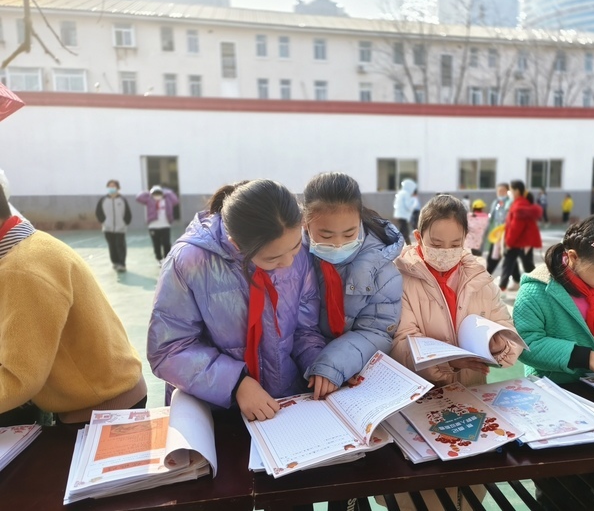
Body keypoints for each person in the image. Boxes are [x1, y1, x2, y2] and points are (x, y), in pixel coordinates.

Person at [147, 180, 326, 422]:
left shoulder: (297, 248)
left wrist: (319, 366)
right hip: (215, 410)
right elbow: (168, 349)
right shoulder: (190, 262)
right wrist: (236, 383)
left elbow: (305, 328)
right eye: (272, 258)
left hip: (282, 406)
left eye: (294, 249)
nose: (288, 263)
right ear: (236, 244)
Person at [390, 194, 523, 510]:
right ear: (419, 237)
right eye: (437, 243)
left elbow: (506, 327)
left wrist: (499, 344)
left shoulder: (478, 275)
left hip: (471, 395)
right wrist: (447, 362)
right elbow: (400, 342)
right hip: (420, 400)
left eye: (455, 244)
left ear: (466, 239)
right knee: (424, 492)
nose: (446, 253)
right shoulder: (399, 277)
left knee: (471, 488)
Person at [512, 213, 594, 508]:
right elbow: (525, 343)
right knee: (563, 485)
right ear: (572, 257)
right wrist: (583, 356)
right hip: (559, 399)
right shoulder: (537, 291)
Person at [0, 184, 147, 426]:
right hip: (109, 391)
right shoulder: (30, 243)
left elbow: (19, 380)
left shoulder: (20, 271)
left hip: (101, 407)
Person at [301, 172, 403, 400]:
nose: (338, 244)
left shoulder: (382, 270)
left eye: (349, 233)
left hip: (354, 374)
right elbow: (294, 327)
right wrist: (319, 364)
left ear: (360, 220)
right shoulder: (292, 259)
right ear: (305, 224)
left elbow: (376, 331)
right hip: (308, 373)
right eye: (326, 235)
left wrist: (334, 365)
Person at [498, 180, 542, 293]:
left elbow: (516, 227)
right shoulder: (520, 203)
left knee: (515, 263)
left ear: (517, 191)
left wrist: (509, 242)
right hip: (522, 242)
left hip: (520, 242)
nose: (509, 192)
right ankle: (514, 284)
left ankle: (502, 287)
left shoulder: (519, 205)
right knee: (514, 263)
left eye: (511, 190)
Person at [136, 184, 180, 265]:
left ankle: (167, 259)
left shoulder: (167, 200)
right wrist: (148, 192)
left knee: (166, 243)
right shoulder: (149, 200)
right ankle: (159, 259)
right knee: (156, 244)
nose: (157, 195)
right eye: (155, 194)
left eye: (158, 193)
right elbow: (139, 198)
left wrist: (167, 191)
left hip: (165, 225)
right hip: (153, 226)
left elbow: (176, 200)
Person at [484, 183, 519, 283]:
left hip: (506, 234)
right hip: (496, 234)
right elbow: (492, 218)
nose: (500, 193)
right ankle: (516, 279)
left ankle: (485, 279)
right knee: (508, 257)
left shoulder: (510, 203)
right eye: (498, 191)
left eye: (503, 191)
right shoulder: (496, 203)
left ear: (507, 192)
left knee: (501, 257)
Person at [96, 179, 131, 272]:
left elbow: (128, 213)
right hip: (107, 228)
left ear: (118, 188)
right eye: (110, 186)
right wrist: (103, 221)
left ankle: (122, 264)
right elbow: (98, 212)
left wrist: (124, 223)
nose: (111, 188)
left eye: (113, 186)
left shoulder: (122, 200)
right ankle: (115, 262)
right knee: (112, 245)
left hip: (120, 228)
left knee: (120, 245)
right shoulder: (103, 200)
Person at [393, 179, 416, 245]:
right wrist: (413, 204)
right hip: (403, 215)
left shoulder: (400, 193)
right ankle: (408, 244)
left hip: (399, 215)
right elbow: (408, 205)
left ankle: (402, 243)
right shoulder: (406, 194)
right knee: (404, 231)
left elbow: (395, 204)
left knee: (402, 230)